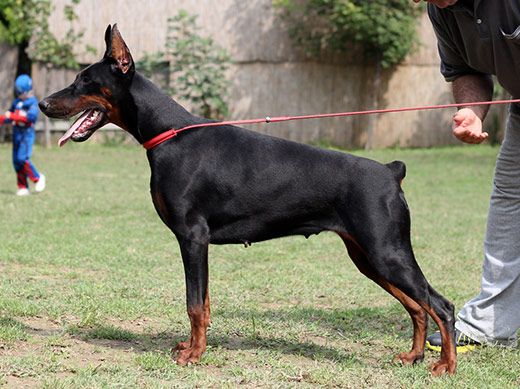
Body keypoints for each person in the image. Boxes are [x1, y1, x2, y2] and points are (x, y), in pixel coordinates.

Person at [411, 0, 520, 353]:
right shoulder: (440, 8)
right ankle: (489, 325)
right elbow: (463, 69)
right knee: (510, 198)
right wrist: (472, 110)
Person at [0, 74, 45, 196]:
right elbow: (9, 117)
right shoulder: (16, 102)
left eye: (22, 92)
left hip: (26, 134)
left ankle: (37, 178)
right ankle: (23, 187)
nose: (20, 95)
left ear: (28, 90)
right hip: (16, 134)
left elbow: (29, 118)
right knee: (16, 162)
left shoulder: (32, 103)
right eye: (18, 92)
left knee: (22, 159)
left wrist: (12, 116)